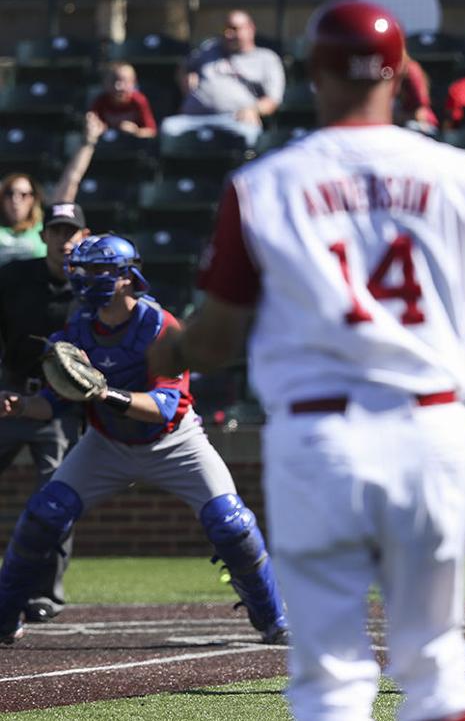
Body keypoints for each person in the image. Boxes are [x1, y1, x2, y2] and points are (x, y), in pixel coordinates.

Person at [147, 0, 465, 721]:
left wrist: (169, 348)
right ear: (400, 73)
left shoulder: (264, 182)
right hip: (430, 428)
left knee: (329, 678)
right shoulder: (461, 172)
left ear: (313, 72)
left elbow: (215, 341)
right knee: (435, 659)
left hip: (318, 438)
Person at [0, 234, 288, 646]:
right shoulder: (78, 328)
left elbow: (163, 407)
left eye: (99, 270)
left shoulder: (159, 326)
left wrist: (105, 394)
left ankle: (272, 618)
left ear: (127, 278)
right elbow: (54, 402)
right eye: (83, 270)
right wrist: (21, 406)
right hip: (107, 442)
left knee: (230, 524)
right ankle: (4, 616)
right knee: (45, 513)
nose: (87, 278)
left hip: (174, 442)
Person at [0, 201, 88, 622]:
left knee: (57, 498)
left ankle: (45, 594)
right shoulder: (14, 276)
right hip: (9, 395)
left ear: (84, 237)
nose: (64, 239)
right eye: (57, 231)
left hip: (60, 406)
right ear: (43, 236)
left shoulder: (93, 286)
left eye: (71, 232)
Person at [161, 9, 285, 148]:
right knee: (168, 128)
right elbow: (182, 68)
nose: (228, 34)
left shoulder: (267, 58)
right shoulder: (209, 49)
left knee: (249, 134)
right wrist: (185, 82)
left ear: (250, 29)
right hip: (192, 118)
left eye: (234, 29)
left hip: (234, 119)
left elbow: (273, 100)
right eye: (226, 29)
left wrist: (253, 110)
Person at [89, 61, 158, 138]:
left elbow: (152, 131)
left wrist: (136, 131)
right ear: (104, 83)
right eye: (113, 81)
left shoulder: (139, 101)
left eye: (125, 81)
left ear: (134, 83)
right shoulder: (100, 101)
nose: (118, 87)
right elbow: (93, 124)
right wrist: (98, 129)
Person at [0, 173, 47, 266]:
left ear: (33, 199)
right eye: (9, 193)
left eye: (23, 194)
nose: (15, 200)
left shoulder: (46, 230)